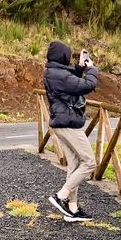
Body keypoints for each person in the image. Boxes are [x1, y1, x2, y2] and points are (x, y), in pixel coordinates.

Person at [43, 40, 99, 222]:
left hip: (61, 123)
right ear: (62, 56)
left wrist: (80, 67)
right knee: (90, 162)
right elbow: (86, 86)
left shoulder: (53, 72)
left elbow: (69, 81)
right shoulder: (59, 75)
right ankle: (61, 196)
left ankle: (72, 210)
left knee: (74, 164)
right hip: (68, 124)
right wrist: (91, 70)